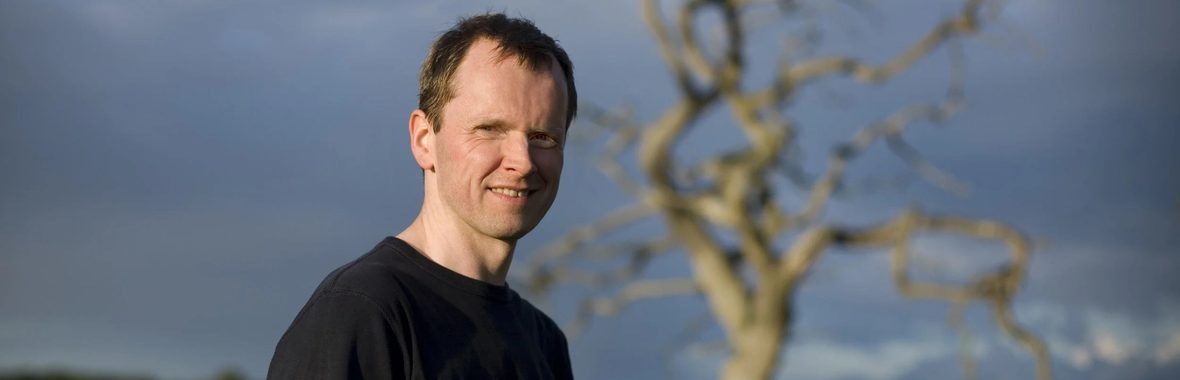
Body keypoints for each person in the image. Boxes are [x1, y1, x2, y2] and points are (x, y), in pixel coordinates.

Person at [267, 13, 576, 379]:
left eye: (543, 137)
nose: (522, 162)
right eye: (490, 129)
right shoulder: (363, 311)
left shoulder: (544, 344)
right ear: (424, 140)